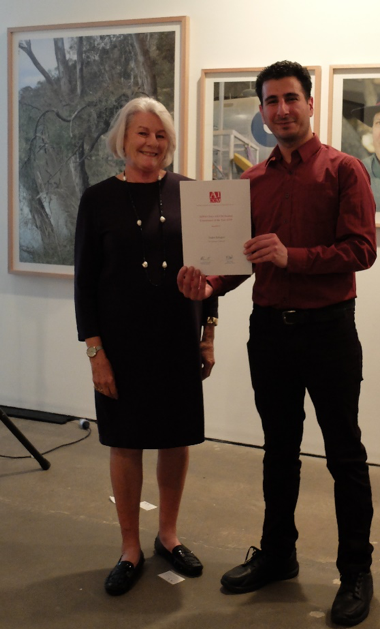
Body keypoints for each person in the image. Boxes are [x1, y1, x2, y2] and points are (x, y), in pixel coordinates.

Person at [178, 61, 377, 627]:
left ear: (310, 104)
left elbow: (362, 250)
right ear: (262, 112)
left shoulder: (344, 170)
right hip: (269, 333)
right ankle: (279, 554)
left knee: (345, 455)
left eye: (291, 98)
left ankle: (357, 571)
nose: (281, 109)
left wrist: (296, 257)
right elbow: (240, 263)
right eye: (271, 101)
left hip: (330, 330)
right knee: (278, 450)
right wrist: (208, 283)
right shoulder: (250, 183)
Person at [74, 96, 218, 596]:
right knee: (126, 440)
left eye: (160, 135)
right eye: (142, 132)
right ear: (123, 138)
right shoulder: (96, 199)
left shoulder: (192, 194)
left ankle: (169, 534)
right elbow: (84, 284)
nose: (152, 142)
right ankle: (130, 547)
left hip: (178, 337)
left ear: (169, 143)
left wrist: (209, 332)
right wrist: (96, 353)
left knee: (175, 438)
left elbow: (212, 271)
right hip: (121, 343)